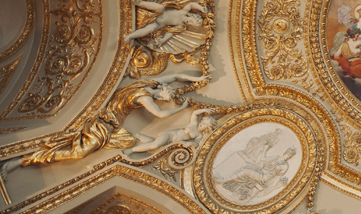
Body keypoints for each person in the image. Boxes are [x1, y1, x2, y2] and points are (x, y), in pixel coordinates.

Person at [0, 73, 207, 178]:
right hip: (104, 126)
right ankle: (22, 161)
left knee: (131, 141)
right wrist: (182, 108)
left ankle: (25, 159)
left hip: (111, 127)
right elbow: (160, 114)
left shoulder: (147, 83)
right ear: (163, 89)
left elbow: (176, 76)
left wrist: (196, 78)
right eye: (168, 95)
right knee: (79, 153)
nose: (166, 98)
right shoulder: (144, 96)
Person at [125, 108, 217, 155]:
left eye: (204, 124)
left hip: (170, 142)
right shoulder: (194, 124)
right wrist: (204, 110)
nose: (201, 124)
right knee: (155, 145)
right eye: (203, 121)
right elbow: (195, 113)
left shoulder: (199, 135)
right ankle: (131, 150)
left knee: (153, 146)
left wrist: (190, 144)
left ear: (208, 128)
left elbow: (196, 143)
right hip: (169, 135)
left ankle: (138, 136)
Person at [124, 0, 208, 45]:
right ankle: (139, 3)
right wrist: (200, 8)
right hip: (158, 13)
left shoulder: (180, 25)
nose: (188, 23)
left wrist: (163, 40)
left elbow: (170, 32)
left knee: (150, 29)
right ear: (192, 16)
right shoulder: (183, 12)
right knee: (161, 8)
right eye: (191, 21)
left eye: (190, 25)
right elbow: (191, 4)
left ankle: (130, 36)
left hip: (157, 24)